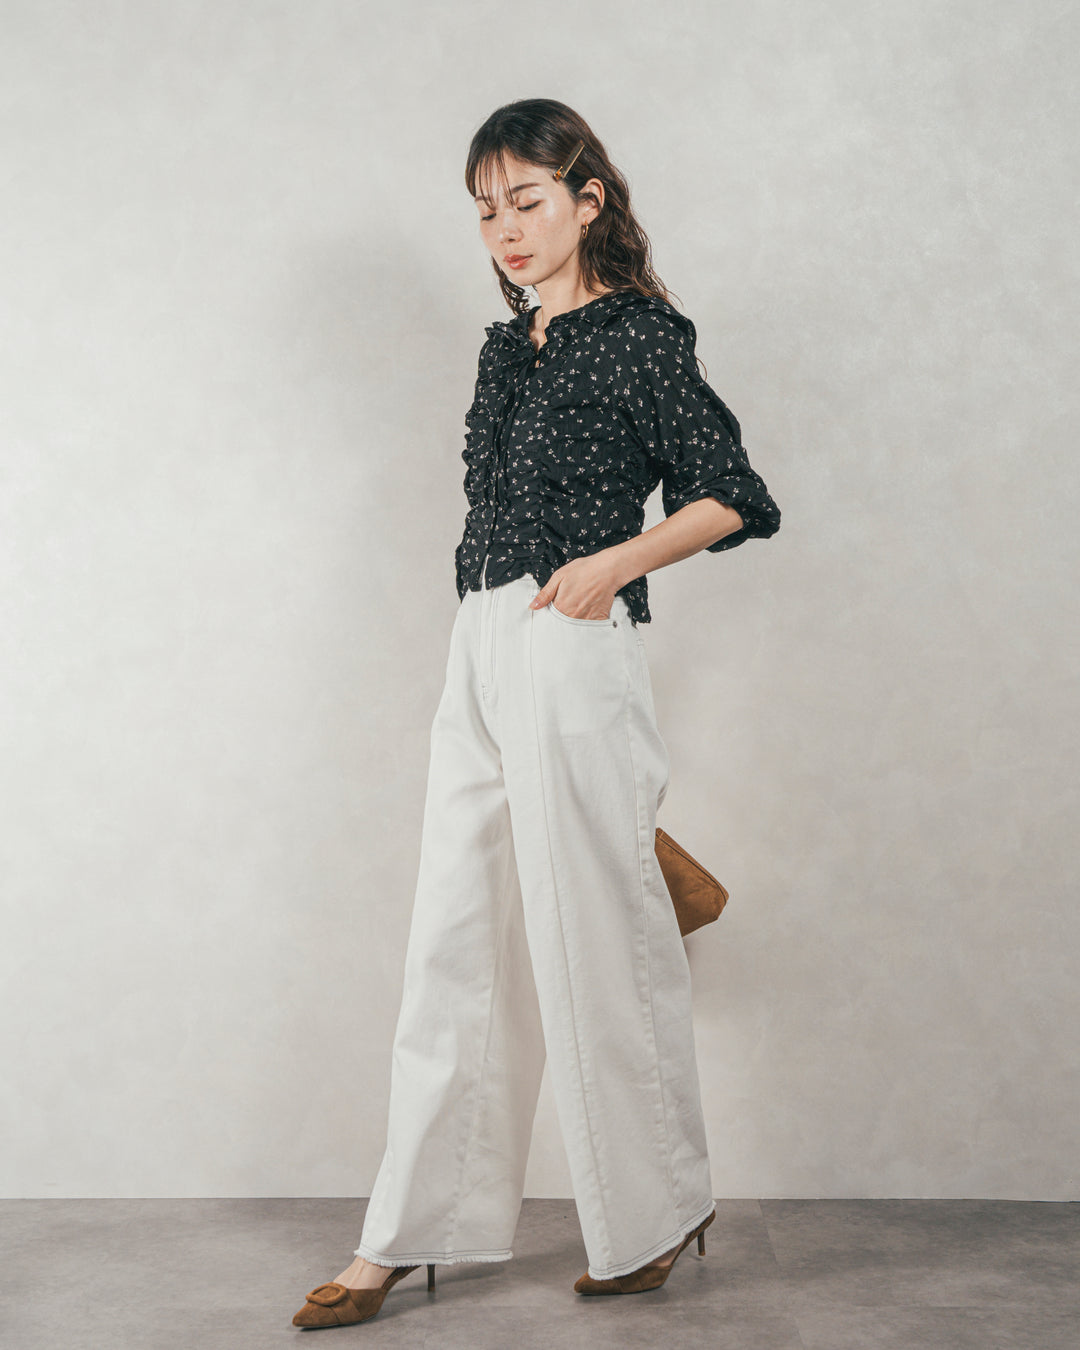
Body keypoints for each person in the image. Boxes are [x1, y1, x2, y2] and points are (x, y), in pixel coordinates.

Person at [292, 97, 781, 1331]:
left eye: (526, 200)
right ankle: (411, 1229)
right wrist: (490, 629)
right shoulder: (507, 350)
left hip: (574, 640)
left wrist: (615, 564)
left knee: (592, 938)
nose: (505, 229)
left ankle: (655, 1212)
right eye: (485, 211)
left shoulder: (641, 337)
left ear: (586, 199)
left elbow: (732, 493)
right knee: (454, 932)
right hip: (480, 639)